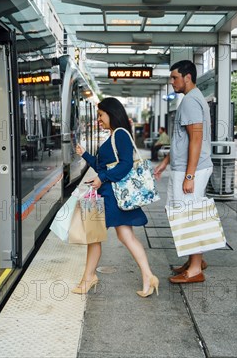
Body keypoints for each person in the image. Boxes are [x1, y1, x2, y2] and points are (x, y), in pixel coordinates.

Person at [75, 97, 158, 297]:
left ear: (112, 114)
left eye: (101, 115)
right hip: (110, 194)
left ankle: (89, 278)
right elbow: (104, 165)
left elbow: (126, 164)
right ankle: (148, 277)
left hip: (113, 196)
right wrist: (85, 155)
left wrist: (102, 178)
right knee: (123, 235)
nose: (99, 120)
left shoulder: (120, 134)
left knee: (95, 236)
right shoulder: (114, 135)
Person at [153, 60, 213, 284]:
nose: (171, 82)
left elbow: (196, 140)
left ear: (187, 77)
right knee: (189, 213)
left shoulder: (190, 101)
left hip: (191, 170)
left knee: (188, 216)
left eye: (174, 77)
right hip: (189, 166)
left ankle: (195, 269)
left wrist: (190, 176)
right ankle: (195, 260)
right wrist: (165, 162)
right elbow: (184, 140)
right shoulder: (194, 99)